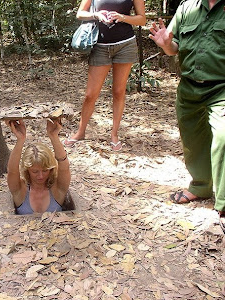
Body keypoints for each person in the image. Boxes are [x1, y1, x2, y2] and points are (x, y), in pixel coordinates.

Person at [149, 1, 225, 230]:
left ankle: (223, 203)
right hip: (189, 87)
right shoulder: (187, 7)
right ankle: (200, 186)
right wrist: (165, 44)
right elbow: (174, 47)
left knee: (223, 137)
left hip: (221, 87)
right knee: (193, 139)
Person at [65, 0, 146, 151]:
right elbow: (80, 13)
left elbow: (142, 19)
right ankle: (80, 132)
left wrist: (122, 17)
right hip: (100, 46)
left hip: (125, 44)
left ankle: (114, 135)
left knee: (118, 91)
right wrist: (96, 15)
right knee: (90, 94)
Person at [6, 119, 71, 215]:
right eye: (35, 172)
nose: (40, 176)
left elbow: (64, 167)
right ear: (27, 170)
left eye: (45, 170)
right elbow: (12, 170)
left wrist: (54, 136)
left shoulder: (58, 189)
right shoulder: (20, 190)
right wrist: (20, 140)